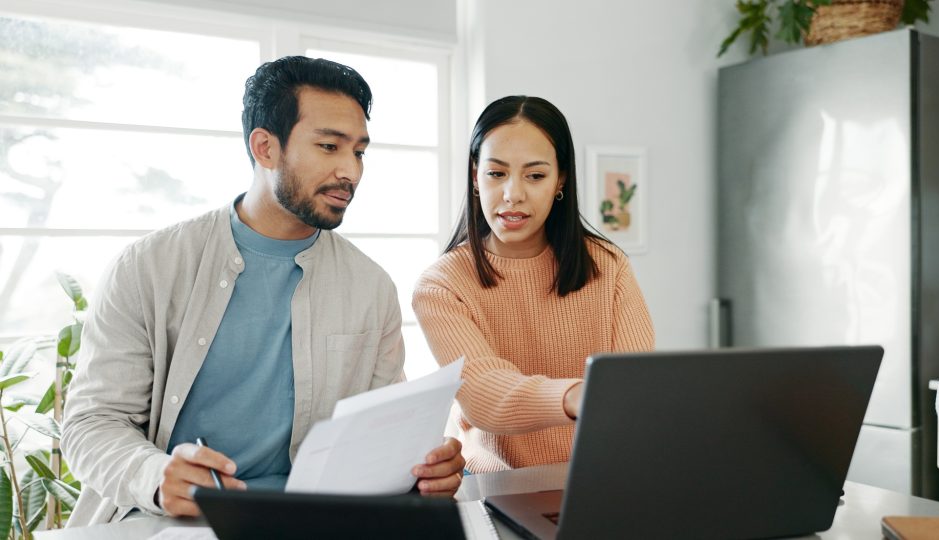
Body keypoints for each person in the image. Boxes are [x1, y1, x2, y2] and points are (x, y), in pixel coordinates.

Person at [61, 56, 465, 526]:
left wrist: (423, 468)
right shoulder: (148, 267)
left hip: (319, 523)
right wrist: (156, 474)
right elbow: (91, 423)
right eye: (329, 146)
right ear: (265, 147)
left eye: (358, 152)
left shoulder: (370, 286)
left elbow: (380, 432)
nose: (350, 171)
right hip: (172, 520)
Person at [411, 96, 655, 473]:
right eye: (496, 173)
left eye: (535, 175)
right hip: (497, 488)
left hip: (604, 478)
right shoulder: (442, 286)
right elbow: (484, 395)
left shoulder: (608, 266)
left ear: (561, 179)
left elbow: (634, 388)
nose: (513, 194)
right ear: (475, 176)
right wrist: (577, 395)